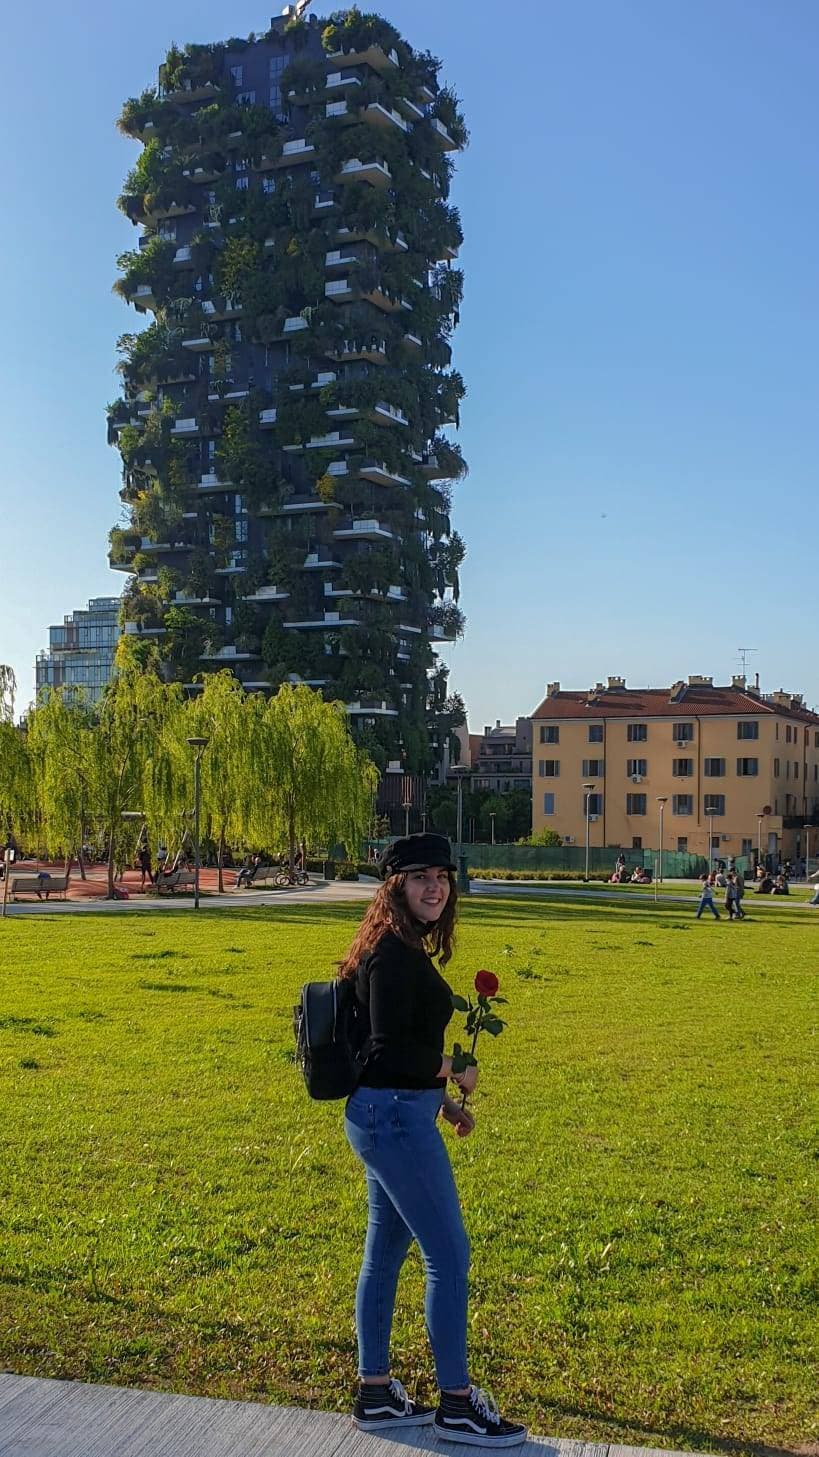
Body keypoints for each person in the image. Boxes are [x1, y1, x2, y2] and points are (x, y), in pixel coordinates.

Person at [337, 832, 527, 1447]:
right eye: (420, 877)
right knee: (449, 1255)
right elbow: (390, 1051)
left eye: (442, 877)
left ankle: (376, 1393)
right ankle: (458, 1404)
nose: (435, 888)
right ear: (395, 886)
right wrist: (452, 1070)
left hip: (390, 1114)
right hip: (393, 1120)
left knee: (386, 1256)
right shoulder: (391, 956)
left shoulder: (395, 947)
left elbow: (381, 1055)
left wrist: (440, 1102)